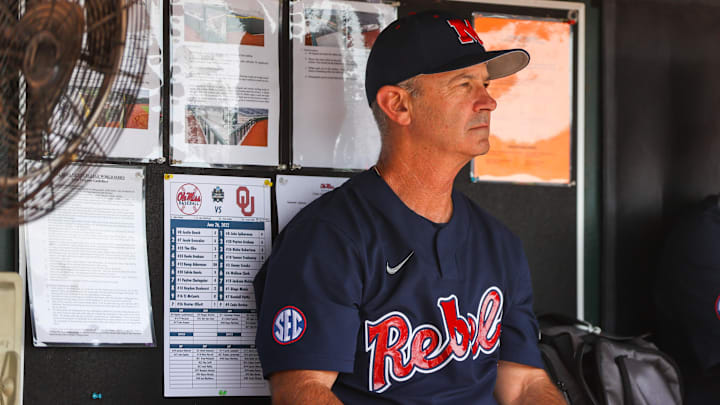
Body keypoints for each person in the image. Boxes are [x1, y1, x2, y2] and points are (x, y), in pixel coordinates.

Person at [253, 10, 565, 404]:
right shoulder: (330, 238)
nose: (488, 102)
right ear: (398, 105)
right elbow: (302, 389)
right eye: (464, 84)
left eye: (485, 84)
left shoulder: (498, 244)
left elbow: (524, 386)